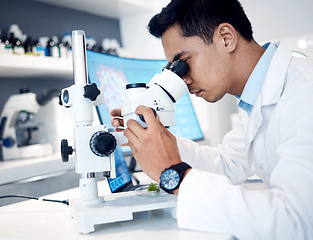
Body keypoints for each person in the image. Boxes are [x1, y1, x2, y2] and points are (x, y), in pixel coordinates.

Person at [110, 0, 313, 239]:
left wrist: (174, 174)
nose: (182, 80)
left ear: (226, 38)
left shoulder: (305, 92)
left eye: (183, 63)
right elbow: (228, 164)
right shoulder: (256, 98)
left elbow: (295, 223)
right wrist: (159, 142)